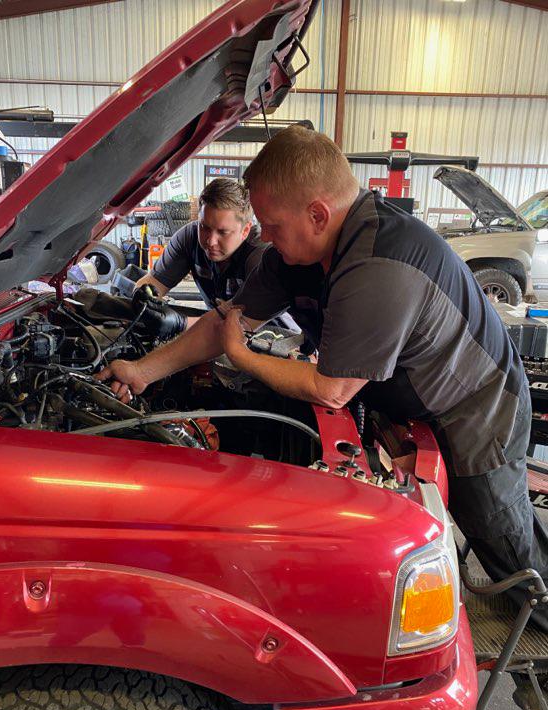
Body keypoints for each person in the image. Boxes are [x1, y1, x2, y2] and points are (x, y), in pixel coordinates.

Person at [98, 125, 548, 634]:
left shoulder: (380, 259)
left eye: (270, 223)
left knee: (506, 544)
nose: (263, 235)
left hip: (477, 407)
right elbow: (224, 323)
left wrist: (240, 357)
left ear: (317, 214)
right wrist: (140, 371)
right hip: (413, 400)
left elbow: (331, 387)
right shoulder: (298, 254)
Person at [132, 176, 297, 338]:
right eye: (204, 227)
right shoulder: (188, 239)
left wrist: (181, 324)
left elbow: (242, 323)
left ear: (245, 231)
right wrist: (144, 297)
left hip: (274, 338)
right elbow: (154, 283)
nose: (211, 241)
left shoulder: (261, 255)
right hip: (216, 331)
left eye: (223, 232)